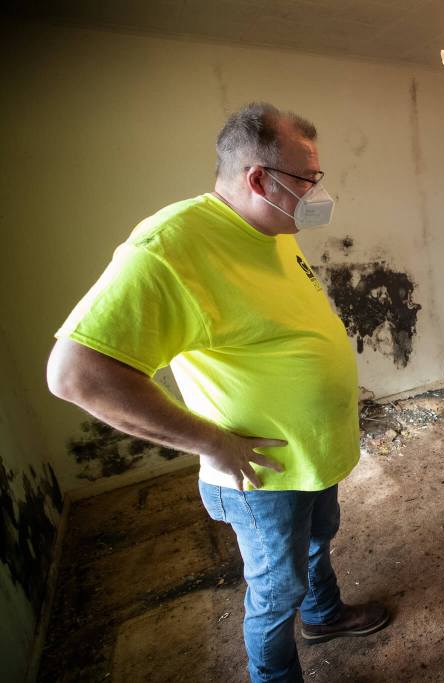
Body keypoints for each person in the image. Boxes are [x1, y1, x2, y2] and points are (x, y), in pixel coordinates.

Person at [46, 102, 389, 682]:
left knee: (315, 543)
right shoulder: (169, 247)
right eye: (309, 179)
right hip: (260, 474)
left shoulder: (272, 226)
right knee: (275, 592)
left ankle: (324, 616)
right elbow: (76, 373)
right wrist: (212, 442)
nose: (316, 192)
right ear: (260, 178)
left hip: (311, 452)